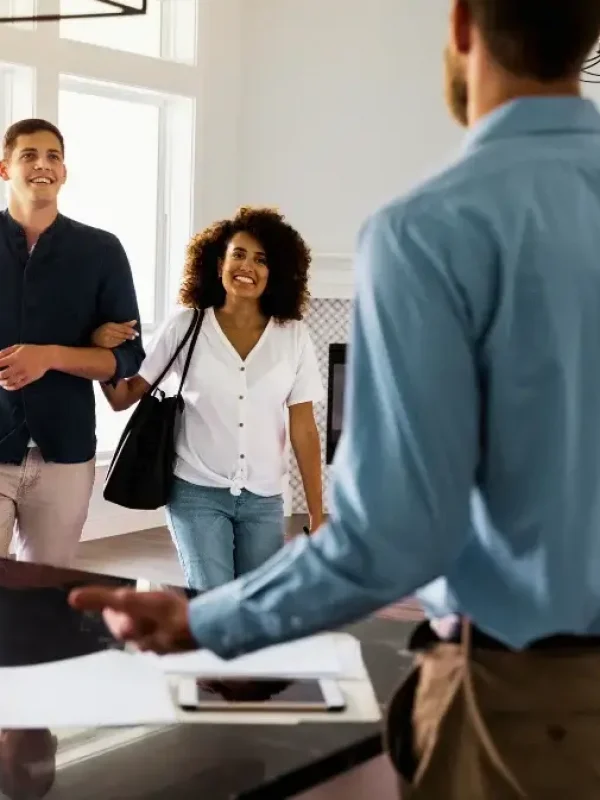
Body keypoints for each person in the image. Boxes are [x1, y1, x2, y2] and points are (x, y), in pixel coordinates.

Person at [69, 0, 600, 795]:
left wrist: (204, 619)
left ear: (460, 25)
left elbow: (395, 533)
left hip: (532, 704)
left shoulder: (433, 229)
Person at [94, 207, 324, 590]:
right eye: (239, 254)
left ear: (275, 272)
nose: (247, 266)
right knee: (212, 602)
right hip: (195, 492)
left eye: (261, 259)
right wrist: (101, 353)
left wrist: (317, 513)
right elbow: (125, 396)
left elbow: (303, 428)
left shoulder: (293, 336)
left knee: (257, 607)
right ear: (219, 263)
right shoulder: (186, 324)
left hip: (264, 499)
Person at [0, 118, 144, 567]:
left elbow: (126, 357)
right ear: (4, 169)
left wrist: (54, 356)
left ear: (64, 172)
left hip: (65, 455)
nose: (43, 165)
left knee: (45, 599)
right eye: (29, 155)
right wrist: (88, 343)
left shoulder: (102, 251)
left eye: (53, 157)